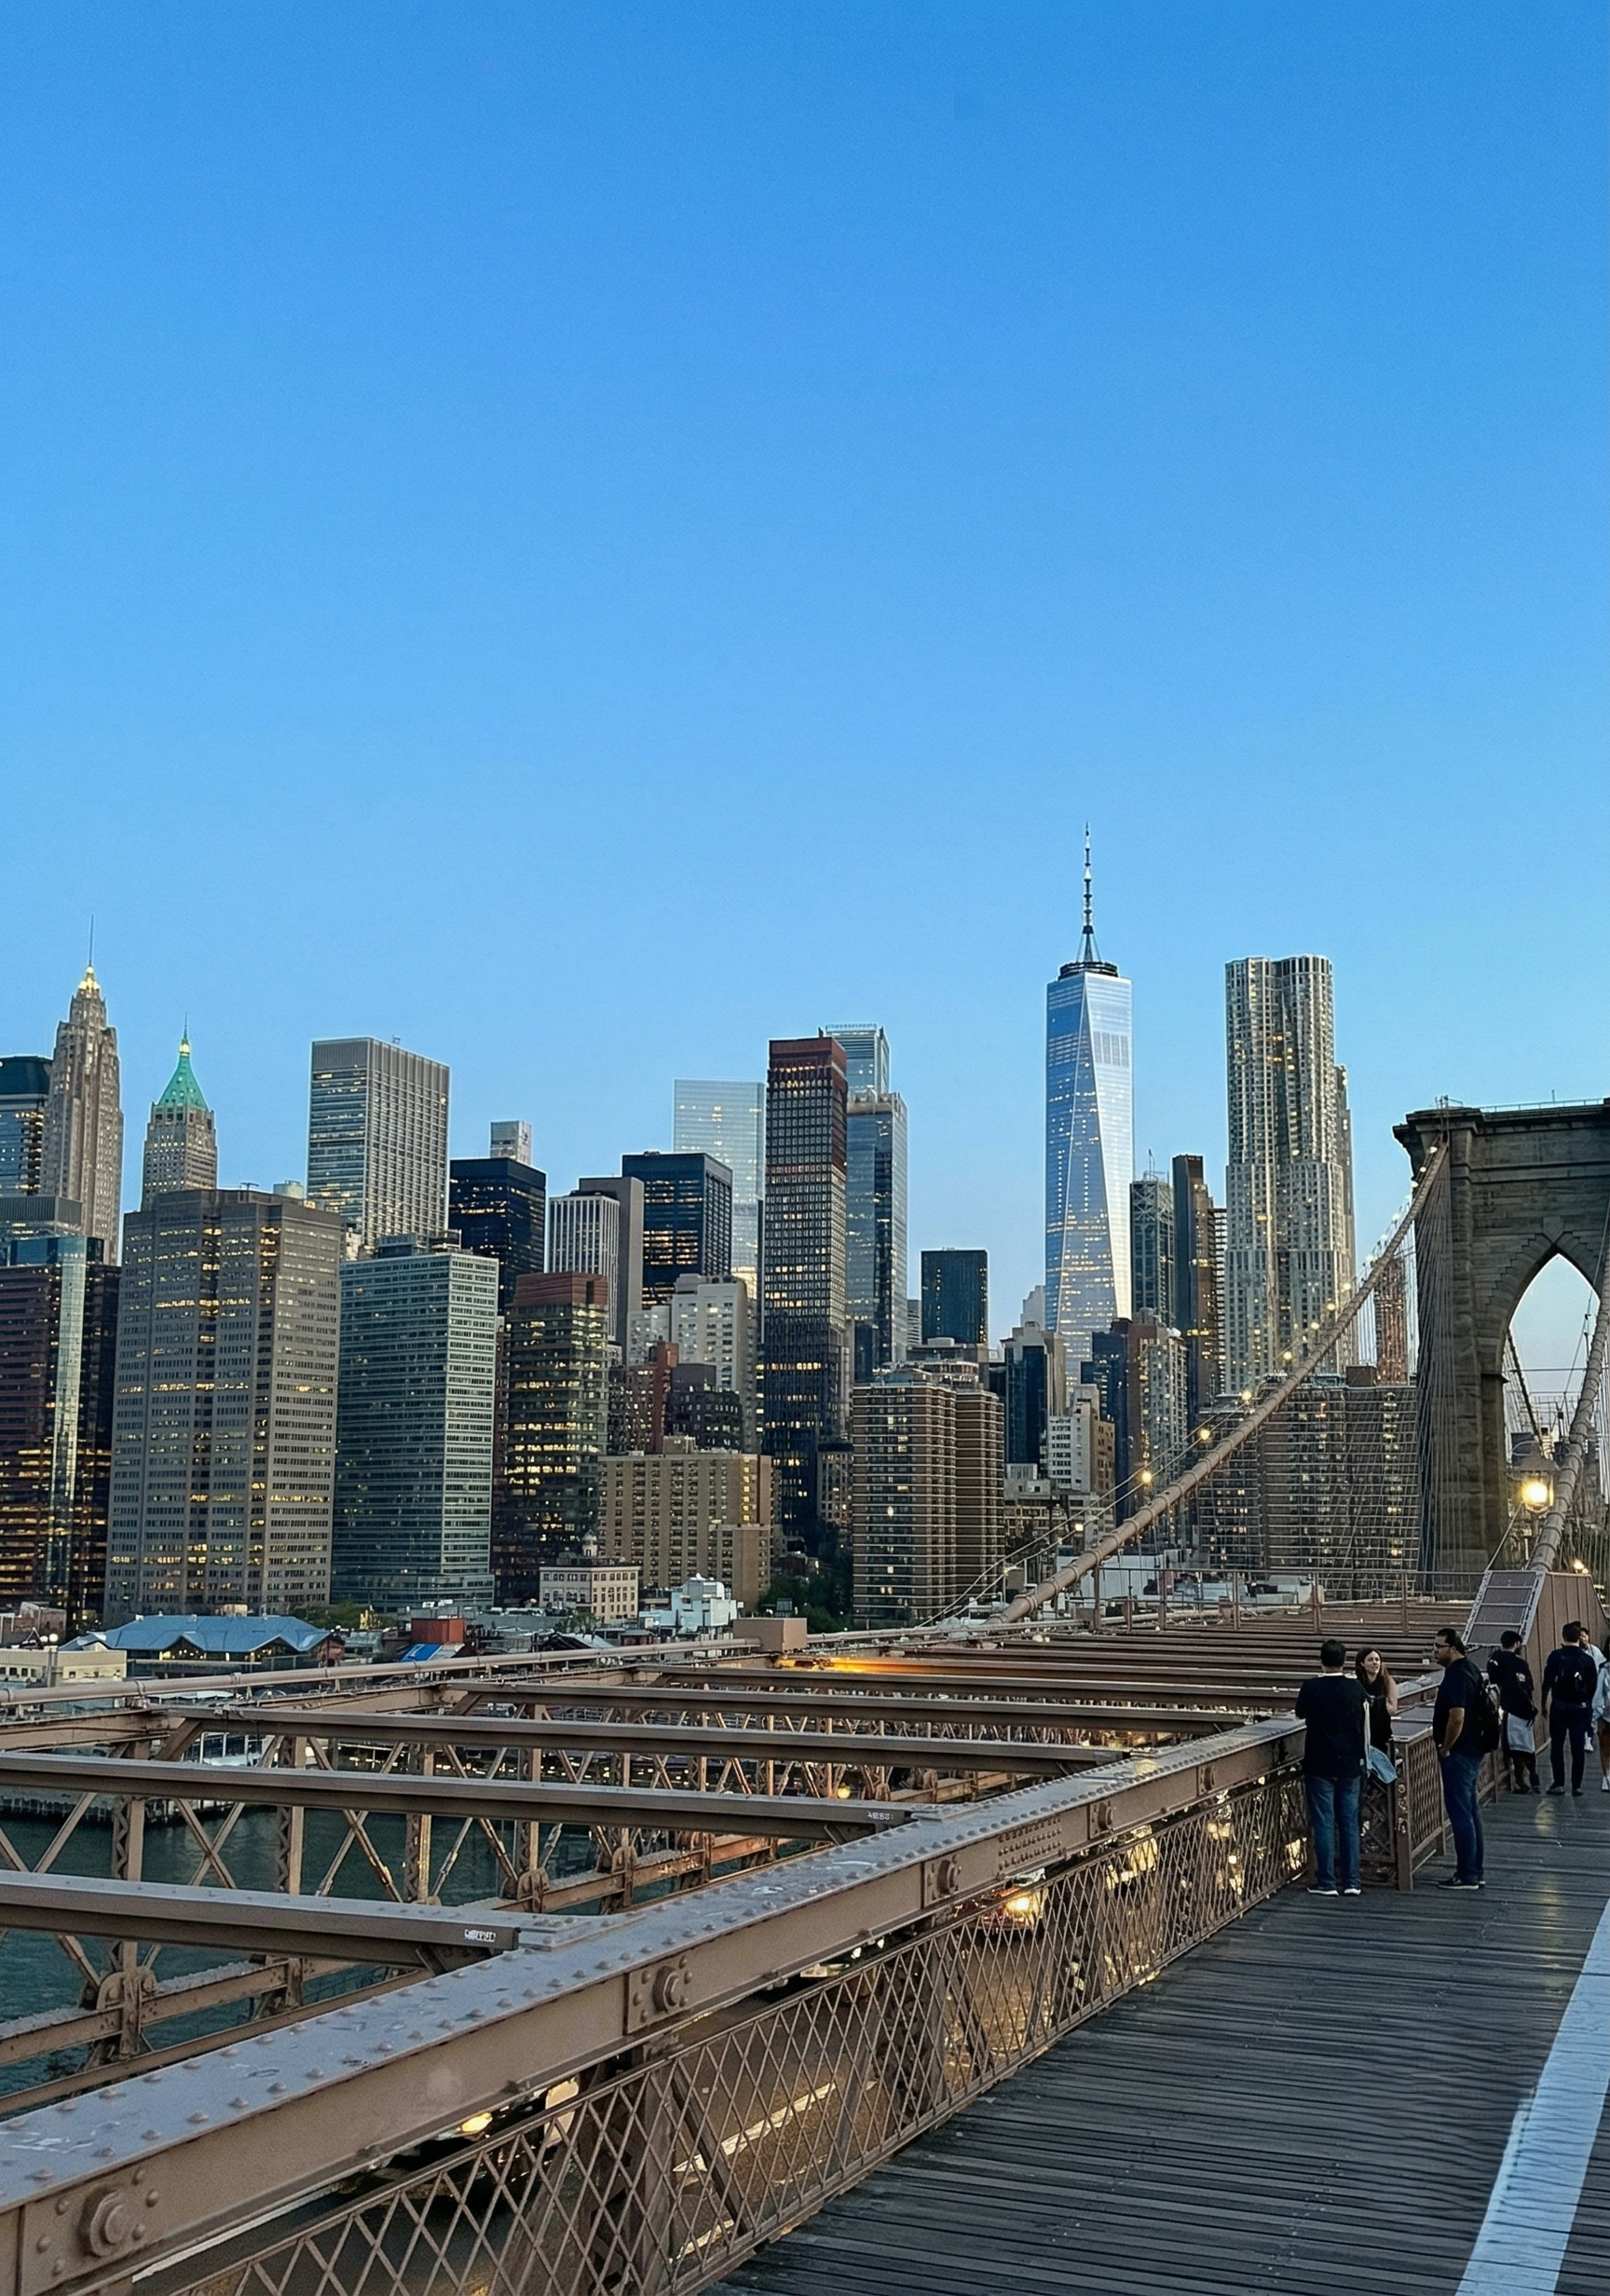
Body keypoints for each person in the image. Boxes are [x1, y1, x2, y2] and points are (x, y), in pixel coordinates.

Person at [1295, 1637, 1369, 1897]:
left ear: (1321, 1660)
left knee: (1324, 1821)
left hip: (1319, 1760)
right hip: (1350, 1762)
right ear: (1345, 1661)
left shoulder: (1311, 1687)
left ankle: (1326, 1882)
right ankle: (1352, 1882)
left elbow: (1300, 1713)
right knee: (1349, 1822)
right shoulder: (1356, 1688)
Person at [1431, 1626, 1490, 1888]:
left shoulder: (1456, 1676)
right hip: (1474, 1747)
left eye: (1438, 1647)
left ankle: (1467, 1874)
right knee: (1470, 1809)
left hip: (1460, 1750)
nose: (1434, 1651)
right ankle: (1475, 1870)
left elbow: (1457, 1716)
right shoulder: (1471, 1669)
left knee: (1460, 1813)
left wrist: (1445, 1746)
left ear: (1452, 1649)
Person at [1540, 1621, 1599, 1797]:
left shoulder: (1555, 1657)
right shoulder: (1587, 1660)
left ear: (1563, 1636)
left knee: (1557, 1745)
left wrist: (1544, 1704)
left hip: (1559, 1707)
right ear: (1578, 1638)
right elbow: (1592, 1686)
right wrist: (1587, 1705)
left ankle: (1559, 1783)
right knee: (1577, 1747)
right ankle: (1576, 1786)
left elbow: (1547, 1683)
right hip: (1580, 1709)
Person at [1487, 1630, 1540, 1793]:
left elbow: (1493, 1681)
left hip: (1508, 1709)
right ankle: (1534, 1777)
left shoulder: (1495, 1660)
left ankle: (1520, 1782)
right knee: (1528, 1746)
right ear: (1517, 1644)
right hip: (1526, 1709)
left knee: (1515, 1748)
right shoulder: (1521, 1663)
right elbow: (1529, 1686)